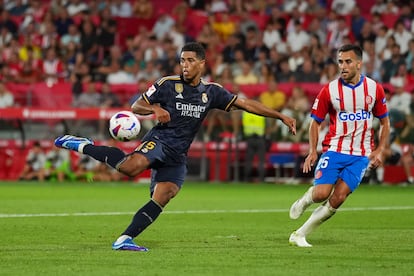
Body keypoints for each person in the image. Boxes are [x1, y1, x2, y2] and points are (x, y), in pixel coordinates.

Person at [54, 42, 297, 251]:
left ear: (202, 63)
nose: (185, 65)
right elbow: (137, 106)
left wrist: (281, 116)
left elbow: (245, 104)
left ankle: (125, 238)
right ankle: (84, 145)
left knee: (164, 196)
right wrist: (155, 109)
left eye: (190, 60)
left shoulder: (211, 92)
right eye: (182, 60)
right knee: (129, 168)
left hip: (178, 154)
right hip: (159, 141)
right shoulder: (167, 84)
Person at [288, 44, 390, 247]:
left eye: (348, 62)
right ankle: (306, 199)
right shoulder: (330, 90)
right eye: (340, 62)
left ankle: (299, 234)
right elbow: (315, 122)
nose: (343, 66)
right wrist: (312, 151)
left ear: (359, 64)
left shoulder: (374, 89)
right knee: (321, 194)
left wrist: (379, 149)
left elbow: (385, 122)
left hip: (361, 155)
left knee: (338, 198)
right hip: (334, 150)